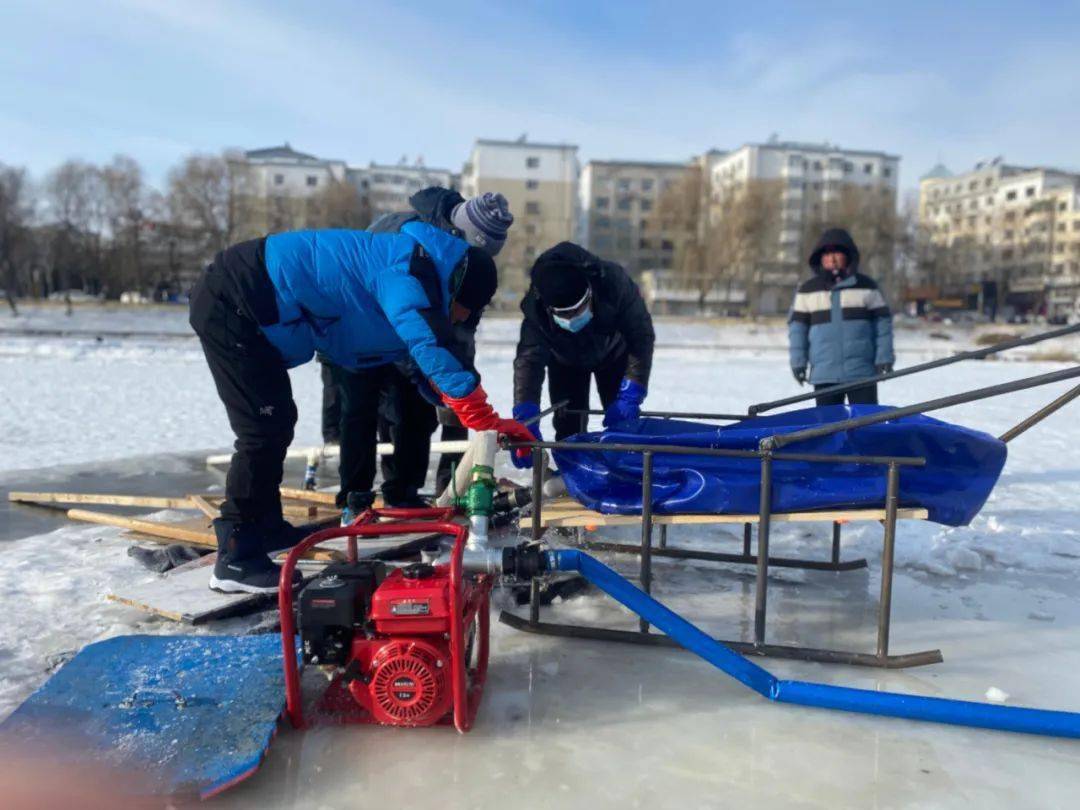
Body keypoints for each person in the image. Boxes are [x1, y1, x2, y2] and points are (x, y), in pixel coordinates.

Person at [188, 221, 533, 593]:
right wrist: (481, 416)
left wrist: (470, 409)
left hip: (253, 307)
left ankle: (266, 526)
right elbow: (429, 343)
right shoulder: (406, 271)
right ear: (457, 287)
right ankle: (235, 556)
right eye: (462, 311)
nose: (460, 320)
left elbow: (415, 361)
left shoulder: (417, 271)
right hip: (235, 301)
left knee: (278, 421)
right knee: (261, 429)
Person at [328, 189, 513, 510]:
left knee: (416, 410)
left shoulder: (466, 270)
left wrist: (459, 388)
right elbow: (400, 308)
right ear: (457, 237)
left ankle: (405, 493)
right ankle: (354, 498)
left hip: (416, 332)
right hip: (363, 325)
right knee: (361, 408)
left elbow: (461, 329)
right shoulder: (403, 234)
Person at [510, 242, 655, 466]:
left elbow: (641, 336)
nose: (571, 318)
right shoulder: (536, 307)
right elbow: (529, 360)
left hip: (614, 354)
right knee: (569, 428)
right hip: (565, 362)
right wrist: (525, 416)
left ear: (589, 292)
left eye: (578, 309)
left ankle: (628, 475)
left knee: (624, 429)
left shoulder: (613, 283)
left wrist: (631, 392)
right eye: (563, 314)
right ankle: (573, 478)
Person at [788, 227, 895, 407]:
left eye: (837, 253)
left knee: (867, 426)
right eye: (827, 254)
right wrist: (798, 362)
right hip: (825, 373)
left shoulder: (867, 286)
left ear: (848, 256)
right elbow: (797, 330)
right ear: (820, 258)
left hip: (861, 373)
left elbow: (883, 324)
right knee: (828, 428)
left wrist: (884, 357)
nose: (832, 258)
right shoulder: (807, 291)